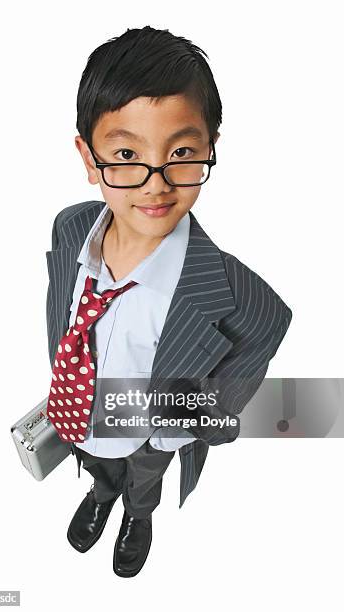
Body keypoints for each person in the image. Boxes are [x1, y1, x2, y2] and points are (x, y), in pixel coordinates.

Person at [45, 25, 293, 578]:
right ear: (89, 158)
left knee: (143, 472)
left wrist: (202, 415)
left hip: (151, 420)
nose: (156, 183)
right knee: (98, 461)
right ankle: (99, 495)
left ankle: (138, 516)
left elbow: (268, 328)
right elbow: (63, 300)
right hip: (83, 407)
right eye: (127, 153)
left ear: (210, 148)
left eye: (181, 152)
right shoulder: (70, 229)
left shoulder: (229, 286)